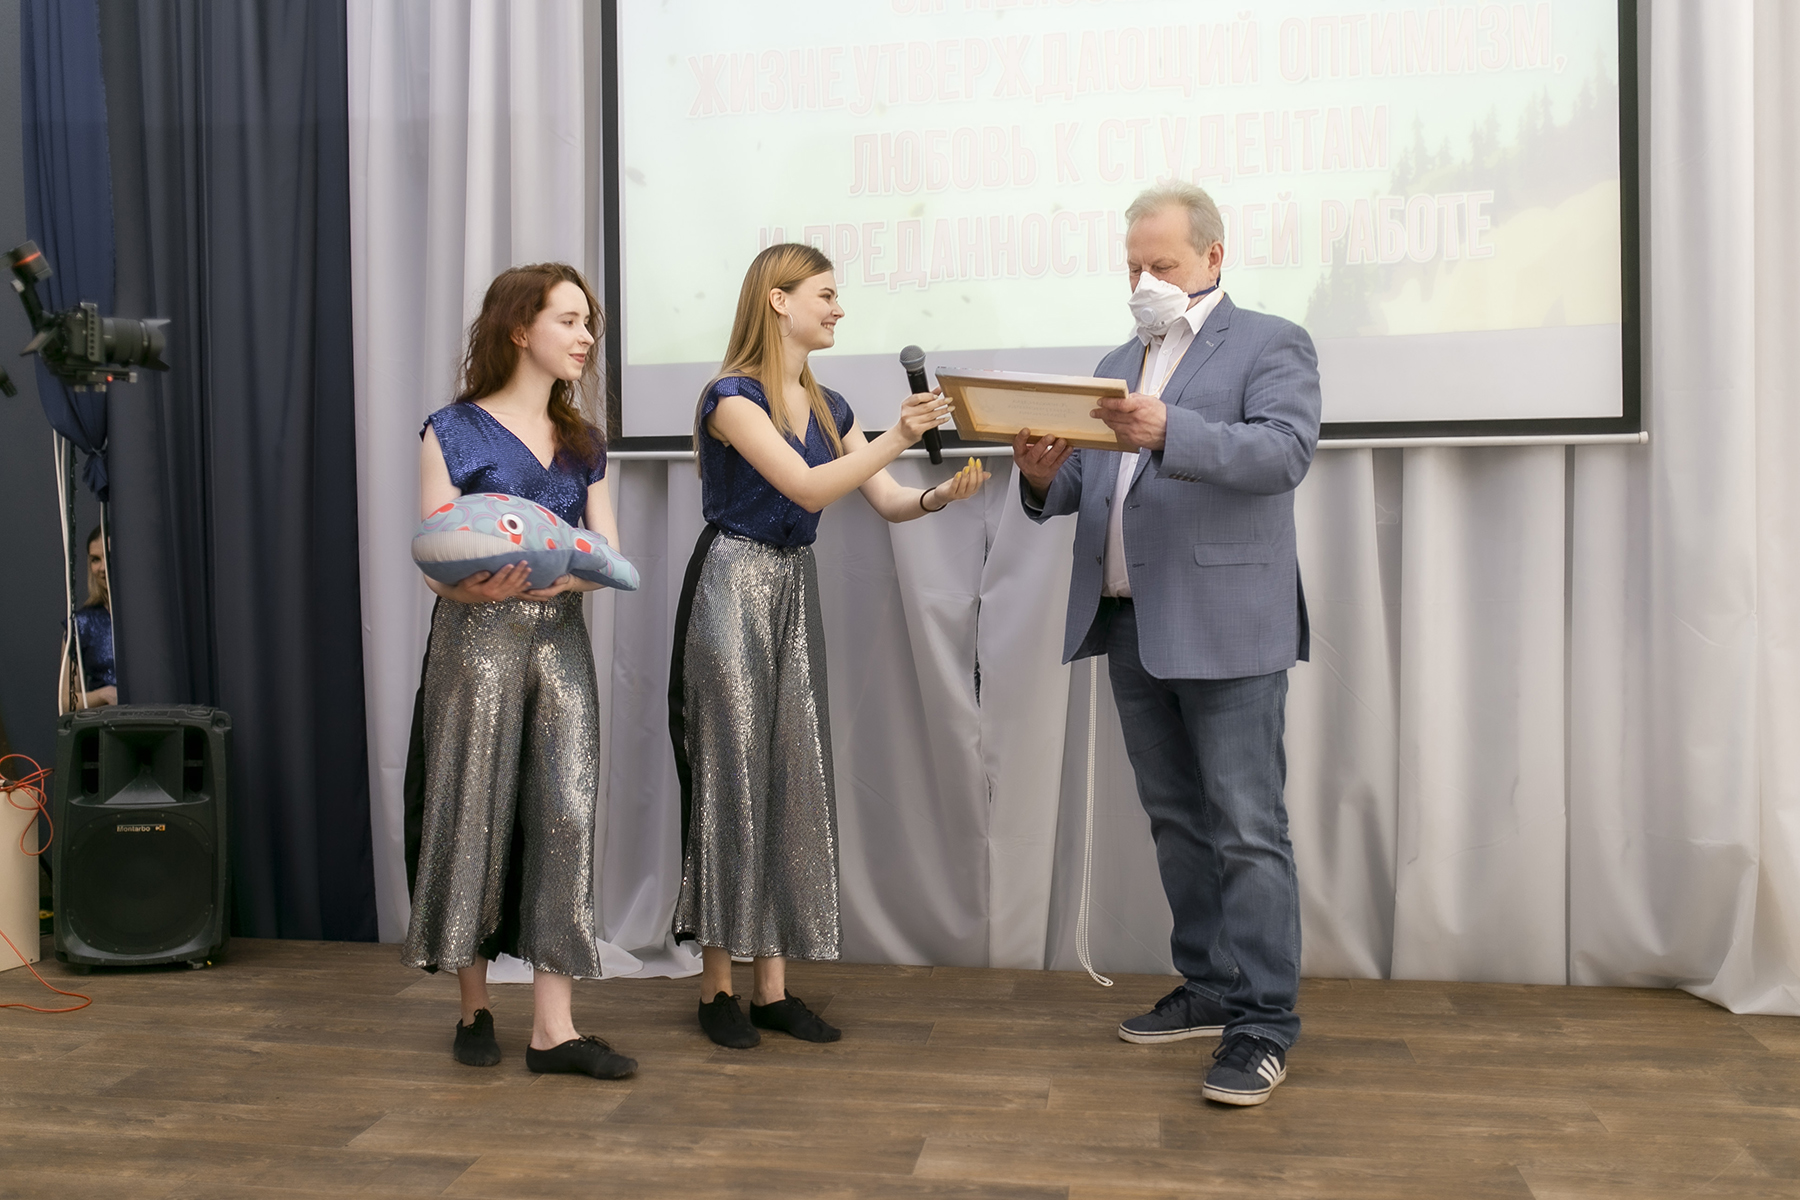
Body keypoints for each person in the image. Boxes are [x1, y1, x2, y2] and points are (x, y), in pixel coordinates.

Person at [1011, 182, 1321, 1106]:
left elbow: (1284, 453)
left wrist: (1169, 429)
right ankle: (1213, 987)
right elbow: (1087, 491)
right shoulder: (1117, 361)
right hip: (1130, 624)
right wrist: (1042, 478)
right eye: (1133, 265)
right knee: (1178, 821)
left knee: (1248, 830)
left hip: (1229, 627)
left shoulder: (1271, 343)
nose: (1145, 279)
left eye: (1164, 264)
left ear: (1213, 258)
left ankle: (1264, 1022)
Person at [670, 242, 989, 1049]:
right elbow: (808, 486)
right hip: (732, 584)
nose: (839, 307)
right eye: (826, 293)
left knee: (792, 773)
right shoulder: (731, 398)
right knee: (731, 776)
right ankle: (716, 989)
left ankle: (773, 990)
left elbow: (887, 501)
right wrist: (901, 434)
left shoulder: (832, 405)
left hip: (792, 586)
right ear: (778, 301)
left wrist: (939, 496)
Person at [401, 262, 635, 1080]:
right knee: (472, 812)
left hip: (560, 640)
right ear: (518, 329)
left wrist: (567, 577)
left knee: (565, 814)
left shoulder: (584, 443)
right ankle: (473, 1007)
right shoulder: (451, 430)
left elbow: (608, 553)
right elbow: (433, 558)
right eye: (569, 320)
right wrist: (471, 587)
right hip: (475, 643)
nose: (586, 336)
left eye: (588, 323)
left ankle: (553, 1031)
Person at [59, 526, 117, 712]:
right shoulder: (81, 623)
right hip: (107, 724)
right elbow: (66, 701)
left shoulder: (151, 617)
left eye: (109, 556)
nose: (102, 568)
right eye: (95, 559)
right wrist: (104, 694)